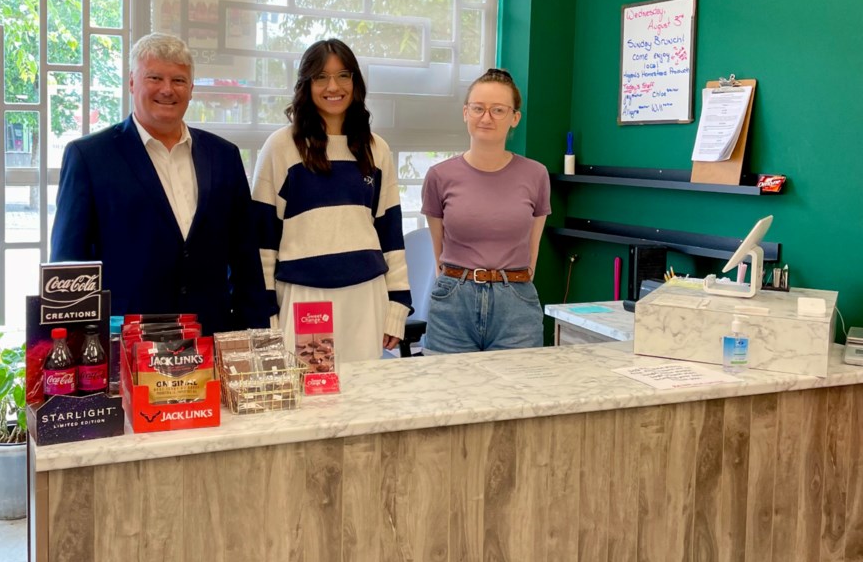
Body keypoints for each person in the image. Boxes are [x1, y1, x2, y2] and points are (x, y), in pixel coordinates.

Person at [51, 32, 271, 334]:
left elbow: (245, 258)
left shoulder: (223, 156)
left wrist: (254, 334)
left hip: (209, 336)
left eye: (178, 80)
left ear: (191, 88)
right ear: (132, 82)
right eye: (154, 78)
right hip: (126, 344)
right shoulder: (89, 157)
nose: (167, 90)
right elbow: (68, 266)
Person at [252, 38, 411, 363]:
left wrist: (397, 304)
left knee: (364, 397)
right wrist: (265, 312)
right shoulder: (281, 146)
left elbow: (391, 233)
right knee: (312, 401)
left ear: (355, 81)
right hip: (306, 298)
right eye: (321, 77)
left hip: (365, 296)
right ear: (306, 85)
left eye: (343, 76)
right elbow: (262, 240)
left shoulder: (375, 148)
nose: (333, 86)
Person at [421, 68, 551, 353]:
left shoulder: (536, 175)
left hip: (515, 302)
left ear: (515, 117)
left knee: (517, 394)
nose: (486, 117)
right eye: (478, 108)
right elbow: (438, 253)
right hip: (453, 301)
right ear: (465, 113)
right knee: (448, 391)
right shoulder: (439, 176)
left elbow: (533, 249)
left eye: (498, 110)